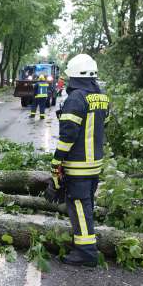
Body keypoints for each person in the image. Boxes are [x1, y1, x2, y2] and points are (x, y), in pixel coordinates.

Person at [45, 54, 109, 267]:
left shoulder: (76, 98)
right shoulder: (101, 96)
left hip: (79, 164)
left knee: (79, 207)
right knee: (86, 206)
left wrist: (57, 160)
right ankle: (83, 246)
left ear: (74, 74)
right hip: (94, 163)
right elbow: (103, 123)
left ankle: (86, 252)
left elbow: (68, 136)